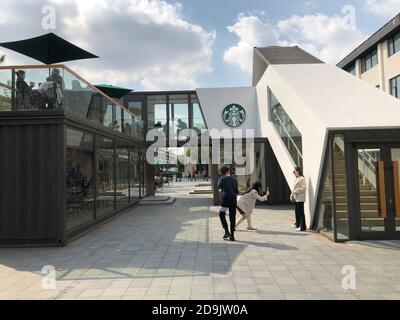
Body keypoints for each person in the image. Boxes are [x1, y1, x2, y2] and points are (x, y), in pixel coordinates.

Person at [218, 166, 239, 241]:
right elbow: (237, 191)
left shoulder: (222, 179)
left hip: (226, 199)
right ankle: (232, 236)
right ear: (228, 171)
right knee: (232, 216)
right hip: (233, 200)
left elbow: (220, 189)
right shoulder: (234, 179)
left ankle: (227, 231)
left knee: (221, 214)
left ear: (222, 172)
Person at [290, 167, 307, 232]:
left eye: (294, 171)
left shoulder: (302, 178)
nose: (294, 173)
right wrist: (291, 194)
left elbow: (304, 188)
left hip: (300, 198)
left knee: (301, 212)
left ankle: (302, 227)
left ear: (298, 171)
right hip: (296, 197)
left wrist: (296, 191)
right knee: (297, 211)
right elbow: (293, 188)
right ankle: (297, 224)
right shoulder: (296, 179)